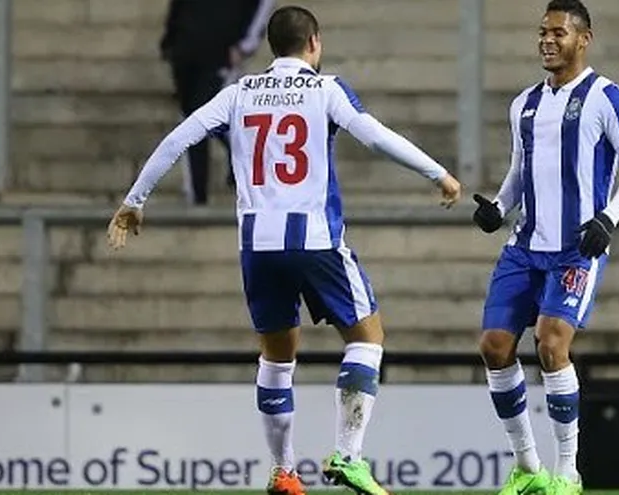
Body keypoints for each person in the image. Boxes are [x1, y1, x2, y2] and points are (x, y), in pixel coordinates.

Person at [108, 5, 462, 495]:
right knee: (367, 338)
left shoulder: (238, 93)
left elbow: (179, 137)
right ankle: (348, 455)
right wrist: (437, 173)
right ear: (313, 42)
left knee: (276, 359)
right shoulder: (325, 88)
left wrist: (134, 201)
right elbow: (374, 136)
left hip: (258, 245)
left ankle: (284, 472)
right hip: (315, 238)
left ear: (272, 46)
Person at [471, 1, 619, 494]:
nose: (547, 41)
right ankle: (529, 469)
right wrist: (499, 207)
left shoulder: (607, 97)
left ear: (583, 38)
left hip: (575, 248)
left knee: (551, 344)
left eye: (558, 33)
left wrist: (608, 217)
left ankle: (567, 473)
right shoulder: (524, 103)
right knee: (493, 346)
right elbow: (519, 171)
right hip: (525, 246)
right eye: (542, 33)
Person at [159, 0, 276, 205]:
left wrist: (245, 45)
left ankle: (202, 192)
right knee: (192, 117)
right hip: (185, 47)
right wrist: (170, 39)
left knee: (198, 116)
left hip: (221, 51)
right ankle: (198, 194)